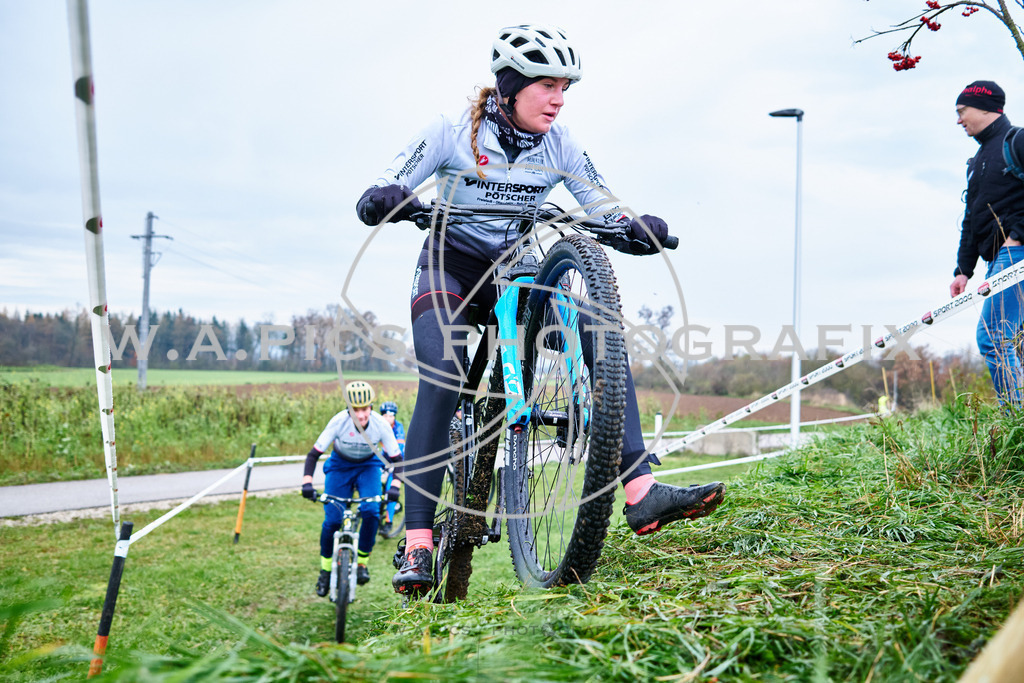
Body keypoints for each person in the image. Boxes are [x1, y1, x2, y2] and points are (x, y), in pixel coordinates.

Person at [355, 23, 726, 597]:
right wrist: (383, 199)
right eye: (546, 86)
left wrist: (634, 227)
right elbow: (390, 181)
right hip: (448, 269)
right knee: (445, 372)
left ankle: (640, 490)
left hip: (515, 273)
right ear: (507, 87)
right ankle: (419, 539)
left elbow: (601, 204)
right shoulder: (452, 132)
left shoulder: (562, 144)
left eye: (565, 88)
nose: (558, 99)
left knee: (600, 331)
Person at [949, 80, 1024, 406]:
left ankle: (1017, 424)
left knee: (995, 337)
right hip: (996, 260)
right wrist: (963, 269)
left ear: (987, 108)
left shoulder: (1017, 140)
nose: (958, 119)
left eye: (962, 111)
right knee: (1016, 343)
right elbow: (972, 217)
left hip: (1015, 253)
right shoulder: (977, 160)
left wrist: (1017, 236)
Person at [301, 380, 402, 596]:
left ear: (371, 407)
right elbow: (313, 455)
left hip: (369, 466)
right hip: (340, 466)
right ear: (349, 409)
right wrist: (307, 482)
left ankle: (362, 562)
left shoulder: (380, 424)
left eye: (365, 409)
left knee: (371, 512)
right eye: (356, 410)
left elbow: (397, 460)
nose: (361, 415)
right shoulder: (338, 422)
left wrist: (395, 485)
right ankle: (325, 571)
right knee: (332, 521)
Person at [378, 400, 405, 533]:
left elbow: (399, 448)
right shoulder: (377, 425)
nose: (389, 418)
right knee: (374, 477)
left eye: (391, 416)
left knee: (391, 487)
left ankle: (389, 521)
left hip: (397, 459)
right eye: (386, 416)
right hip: (384, 457)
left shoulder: (398, 427)